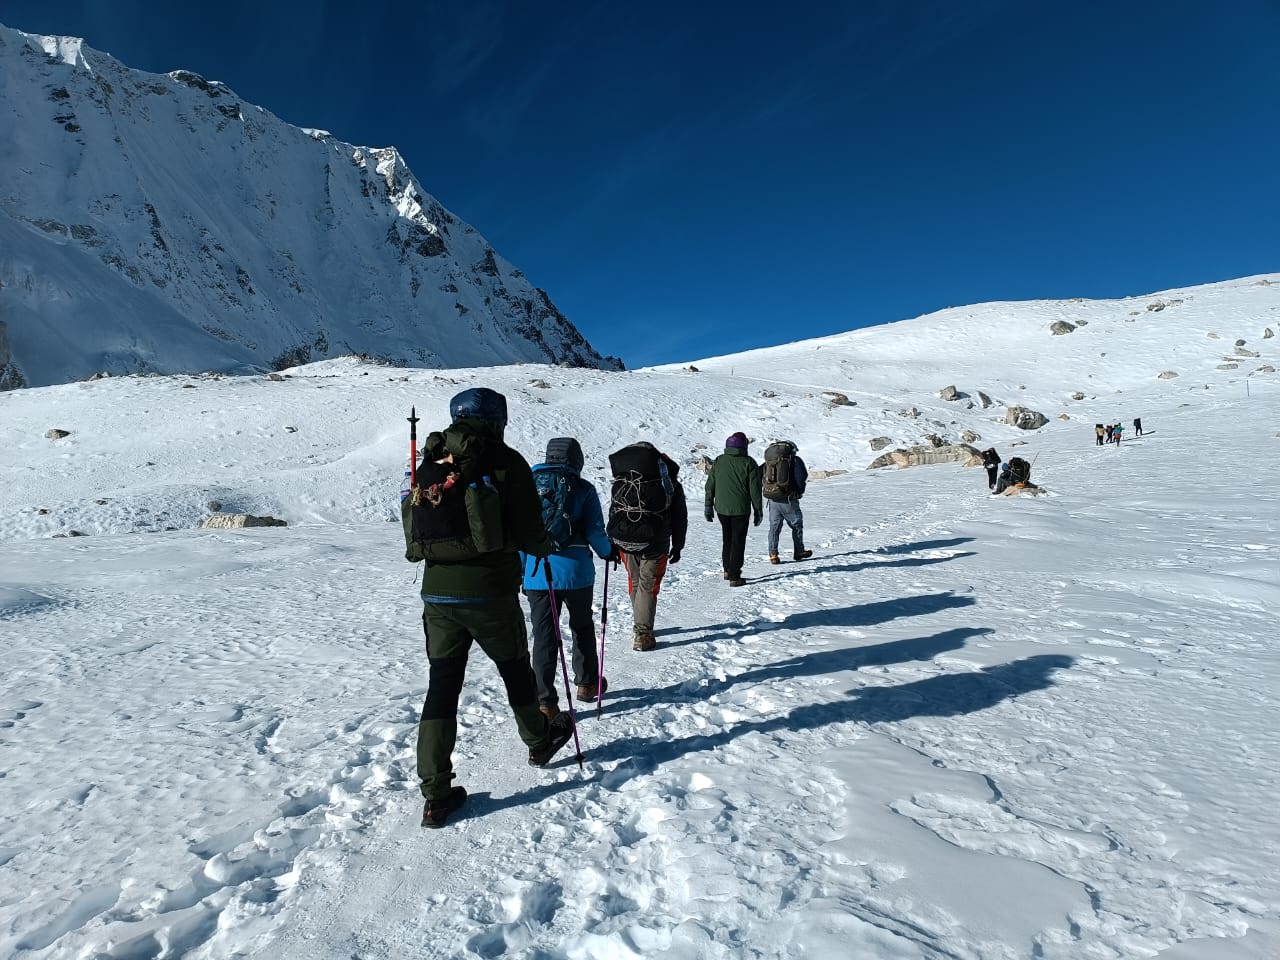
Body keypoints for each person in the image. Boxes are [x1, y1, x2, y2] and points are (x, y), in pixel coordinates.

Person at [402, 388, 575, 828]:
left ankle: (436, 793)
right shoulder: (506, 461)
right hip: (490, 592)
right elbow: (532, 531)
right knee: (515, 669)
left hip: (437, 595)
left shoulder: (431, 461)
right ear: (497, 419)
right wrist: (543, 545)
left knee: (442, 685)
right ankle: (538, 741)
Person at [521, 437, 615, 717]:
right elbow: (595, 532)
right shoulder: (583, 489)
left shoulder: (528, 487)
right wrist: (608, 552)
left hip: (538, 572)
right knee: (582, 627)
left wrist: (524, 570)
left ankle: (545, 701)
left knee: (544, 636)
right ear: (577, 459)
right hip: (576, 574)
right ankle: (587, 684)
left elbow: (520, 535)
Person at [606, 443, 687, 651]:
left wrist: (612, 543)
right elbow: (679, 516)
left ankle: (641, 622)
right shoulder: (666, 481)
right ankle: (643, 633)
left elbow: (614, 510)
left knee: (635, 581)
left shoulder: (624, 479)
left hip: (624, 540)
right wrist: (678, 546)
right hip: (655, 541)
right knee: (648, 585)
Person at [705, 431, 763, 587]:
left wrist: (708, 506)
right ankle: (734, 576)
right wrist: (758, 510)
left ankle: (727, 569)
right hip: (741, 510)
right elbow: (755, 490)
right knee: (738, 541)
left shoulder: (719, 461)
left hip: (722, 509)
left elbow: (710, 485)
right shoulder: (749, 463)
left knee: (727, 539)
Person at [762, 440, 813, 564]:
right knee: (796, 525)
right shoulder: (794, 460)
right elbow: (802, 476)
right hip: (789, 499)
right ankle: (799, 551)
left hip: (772, 499)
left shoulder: (769, 461)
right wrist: (799, 492)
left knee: (774, 527)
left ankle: (773, 554)